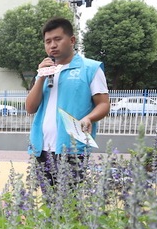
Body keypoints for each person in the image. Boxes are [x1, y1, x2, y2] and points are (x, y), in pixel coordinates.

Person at [25, 17, 110, 187]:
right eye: (48, 41)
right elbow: (30, 107)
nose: (52, 45)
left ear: (72, 40)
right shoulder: (45, 71)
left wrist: (89, 118)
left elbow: (103, 104)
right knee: (49, 205)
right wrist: (40, 77)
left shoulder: (90, 68)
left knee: (68, 204)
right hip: (41, 148)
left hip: (72, 148)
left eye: (57, 39)